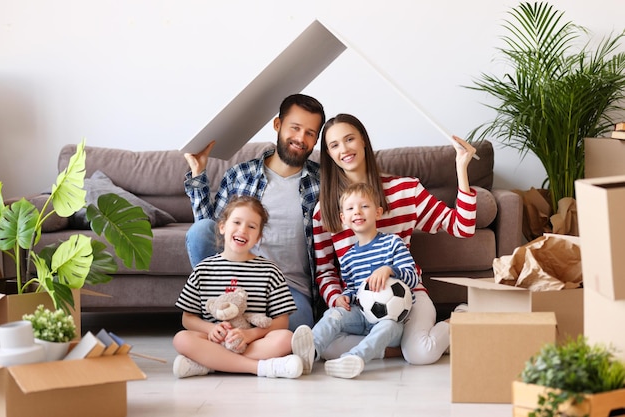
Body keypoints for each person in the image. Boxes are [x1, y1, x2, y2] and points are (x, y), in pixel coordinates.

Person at [313, 113, 477, 365]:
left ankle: (457, 322)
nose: (344, 149)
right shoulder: (323, 211)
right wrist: (336, 297)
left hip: (407, 296)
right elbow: (325, 272)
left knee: (420, 355)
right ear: (328, 154)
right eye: (334, 145)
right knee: (327, 349)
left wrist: (461, 169)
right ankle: (401, 347)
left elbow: (462, 228)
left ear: (363, 141)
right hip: (363, 306)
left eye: (349, 139)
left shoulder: (405, 190)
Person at [183, 94, 325, 332]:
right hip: (236, 282)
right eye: (295, 128)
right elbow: (215, 232)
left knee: (300, 326)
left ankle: (232, 333)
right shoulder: (240, 175)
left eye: (310, 133)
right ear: (278, 125)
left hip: (289, 290)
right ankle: (227, 317)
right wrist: (198, 174)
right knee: (200, 230)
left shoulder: (323, 181)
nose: (301, 138)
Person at [172, 195, 314, 379]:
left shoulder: (269, 271)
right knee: (181, 339)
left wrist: (249, 335)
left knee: (285, 338)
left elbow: (281, 322)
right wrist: (210, 330)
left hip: (252, 342)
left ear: (258, 237)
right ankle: (260, 368)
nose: (243, 230)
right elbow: (188, 318)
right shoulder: (203, 270)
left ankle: (209, 363)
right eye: (237, 222)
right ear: (222, 227)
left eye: (252, 226)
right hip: (215, 341)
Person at [301, 182, 419, 379]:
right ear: (344, 219)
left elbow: (413, 277)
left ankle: (354, 359)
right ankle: (307, 353)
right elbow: (353, 288)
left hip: (390, 321)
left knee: (387, 325)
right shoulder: (348, 257)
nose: (357, 212)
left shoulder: (392, 243)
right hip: (361, 315)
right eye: (350, 208)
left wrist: (389, 269)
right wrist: (343, 298)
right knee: (334, 314)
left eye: (364, 206)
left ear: (378, 212)